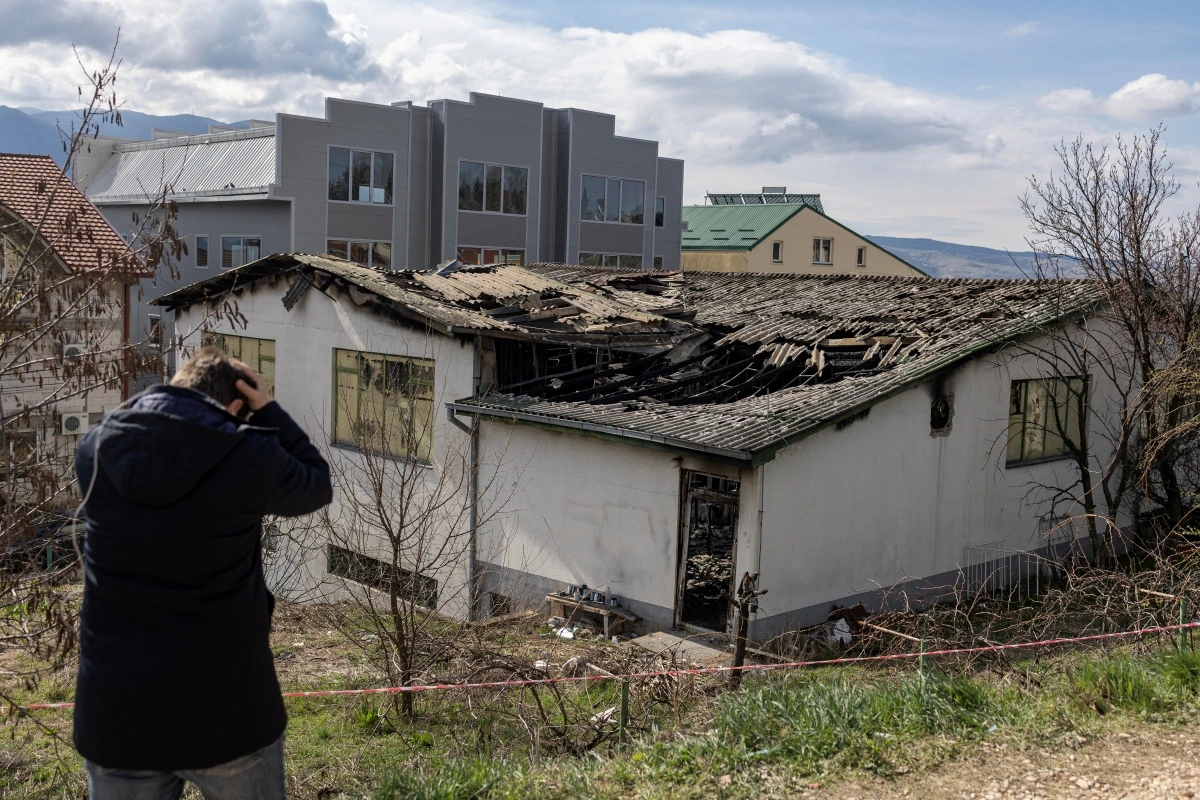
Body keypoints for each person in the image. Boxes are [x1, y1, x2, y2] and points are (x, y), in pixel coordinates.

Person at [73, 346, 333, 799]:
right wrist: (267, 409)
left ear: (173, 386)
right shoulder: (247, 454)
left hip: (117, 712)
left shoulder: (95, 449)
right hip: (227, 710)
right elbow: (315, 485)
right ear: (235, 405)